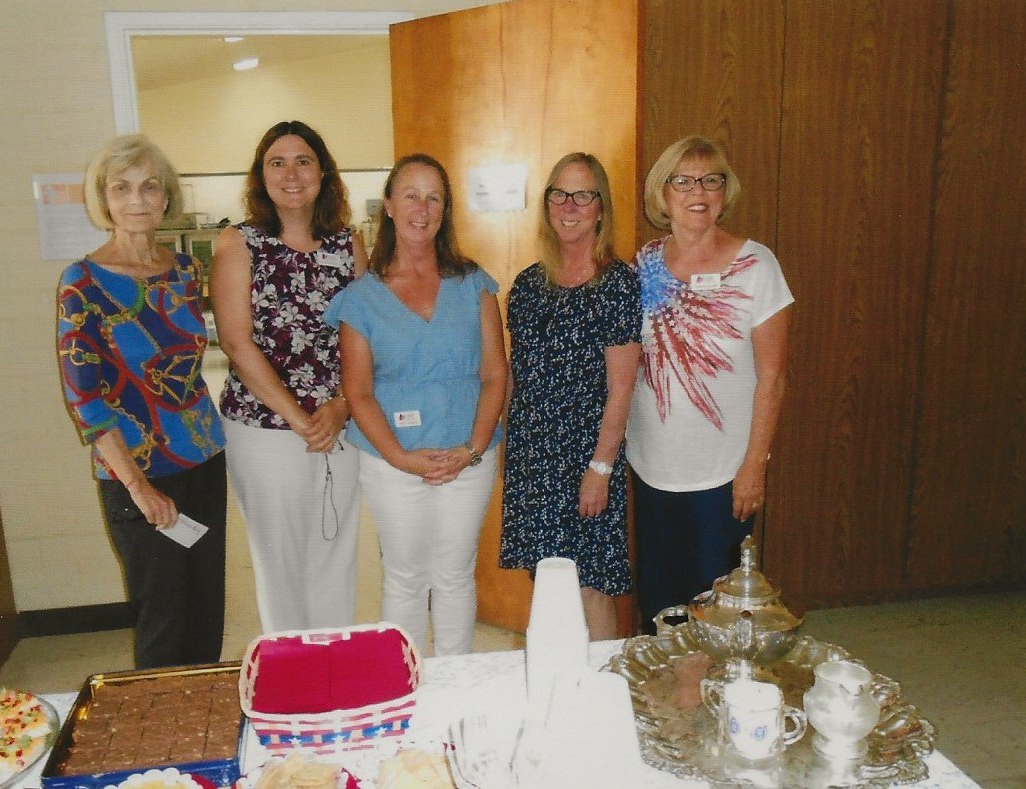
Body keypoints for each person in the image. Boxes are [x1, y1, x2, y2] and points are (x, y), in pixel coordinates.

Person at [325, 154, 507, 656]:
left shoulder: (474, 284)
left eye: (434, 198)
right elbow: (358, 391)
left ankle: (455, 682)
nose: (421, 209)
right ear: (388, 205)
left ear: (445, 210)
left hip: (468, 457)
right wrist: (401, 458)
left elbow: (495, 374)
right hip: (391, 462)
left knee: (454, 575)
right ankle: (403, 681)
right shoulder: (361, 298)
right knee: (405, 577)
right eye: (410, 195)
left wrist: (472, 450)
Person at [57, 134, 227, 669]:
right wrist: (138, 487)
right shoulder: (81, 283)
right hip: (136, 472)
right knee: (163, 622)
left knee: (206, 612)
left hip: (203, 461)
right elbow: (85, 400)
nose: (137, 200)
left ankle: (205, 713)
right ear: (103, 199)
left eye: (149, 186)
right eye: (122, 188)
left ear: (166, 196)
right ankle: (158, 720)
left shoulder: (184, 271)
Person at [627, 136, 793, 633]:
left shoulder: (757, 266)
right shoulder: (644, 265)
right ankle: (666, 682)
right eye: (682, 181)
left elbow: (773, 378)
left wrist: (754, 467)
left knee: (716, 612)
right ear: (663, 193)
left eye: (710, 180)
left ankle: (712, 684)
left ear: (725, 191)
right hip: (652, 466)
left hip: (723, 474)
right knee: (660, 605)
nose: (697, 192)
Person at [209, 120, 367, 634]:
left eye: (303, 161)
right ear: (261, 176)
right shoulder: (239, 243)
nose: (291, 174)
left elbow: (365, 336)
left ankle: (333, 659)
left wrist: (342, 404)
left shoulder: (348, 245)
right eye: (277, 163)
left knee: (335, 551)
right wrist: (300, 419)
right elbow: (237, 342)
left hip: (338, 423)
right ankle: (292, 667)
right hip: (264, 428)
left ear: (324, 173)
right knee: (281, 561)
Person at [499, 153, 642, 642]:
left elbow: (622, 388)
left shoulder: (617, 284)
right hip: (534, 454)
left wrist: (600, 469)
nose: (569, 205)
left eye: (583, 195)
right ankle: (555, 676)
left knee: (590, 585)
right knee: (547, 581)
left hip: (587, 455)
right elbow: (517, 374)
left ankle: (600, 682)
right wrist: (509, 446)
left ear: (601, 208)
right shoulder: (527, 285)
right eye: (559, 194)